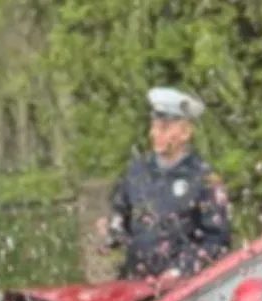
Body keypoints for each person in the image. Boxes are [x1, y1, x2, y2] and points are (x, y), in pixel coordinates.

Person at [96, 87, 234, 282]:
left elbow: (217, 241)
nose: (154, 134)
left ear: (185, 132)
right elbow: (122, 214)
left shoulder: (204, 180)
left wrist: (181, 271)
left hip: (183, 291)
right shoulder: (137, 171)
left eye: (164, 128)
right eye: (153, 126)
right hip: (136, 283)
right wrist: (112, 232)